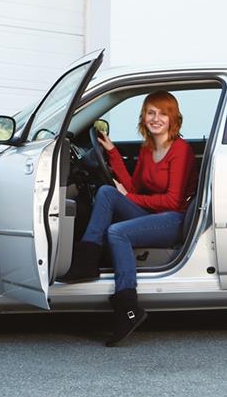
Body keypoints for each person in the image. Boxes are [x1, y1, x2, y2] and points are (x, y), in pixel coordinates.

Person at [59, 91, 195, 346]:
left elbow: (173, 201)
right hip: (151, 213)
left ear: (173, 118)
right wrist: (112, 153)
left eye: (163, 113)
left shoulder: (181, 150)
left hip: (173, 219)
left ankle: (128, 308)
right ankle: (87, 260)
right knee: (107, 192)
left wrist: (130, 199)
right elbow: (132, 188)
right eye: (150, 112)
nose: (156, 118)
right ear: (143, 116)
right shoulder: (147, 149)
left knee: (117, 232)